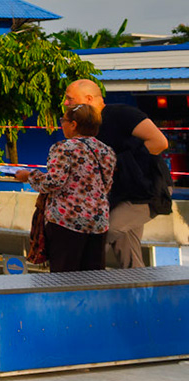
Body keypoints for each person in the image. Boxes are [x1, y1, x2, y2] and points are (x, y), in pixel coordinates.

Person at [63, 78, 169, 267]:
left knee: (99, 235)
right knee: (128, 252)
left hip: (146, 192)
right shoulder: (90, 126)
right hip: (121, 194)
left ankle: (79, 281)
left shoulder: (122, 114)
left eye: (70, 98)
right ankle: (138, 285)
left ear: (88, 99)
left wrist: (118, 164)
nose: (66, 103)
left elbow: (159, 142)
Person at [21, 103, 117, 272]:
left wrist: (29, 176)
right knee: (93, 276)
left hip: (66, 222)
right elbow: (106, 185)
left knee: (64, 276)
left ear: (74, 124)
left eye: (63, 120)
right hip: (98, 222)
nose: (62, 124)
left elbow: (53, 182)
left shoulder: (64, 148)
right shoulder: (106, 151)